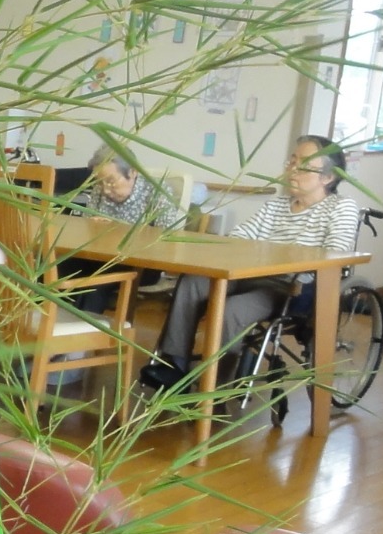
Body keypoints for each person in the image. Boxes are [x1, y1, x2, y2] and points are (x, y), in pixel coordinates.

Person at [141, 135, 359, 391]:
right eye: (292, 161)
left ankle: (214, 386)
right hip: (248, 274)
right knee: (193, 283)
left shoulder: (340, 207)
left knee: (233, 309)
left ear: (327, 177)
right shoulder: (276, 205)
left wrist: (283, 257)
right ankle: (174, 365)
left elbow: (336, 252)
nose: (292, 169)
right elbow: (240, 238)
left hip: (291, 287)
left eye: (303, 165)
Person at [60, 150, 185, 311]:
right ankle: (44, 328)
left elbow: (165, 238)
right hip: (98, 257)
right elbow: (87, 226)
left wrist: (118, 229)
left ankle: (81, 332)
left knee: (94, 285)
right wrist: (92, 225)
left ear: (133, 172)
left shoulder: (157, 191)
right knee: (56, 269)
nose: (105, 190)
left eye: (111, 182)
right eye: (100, 182)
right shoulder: (101, 189)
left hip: (138, 263)